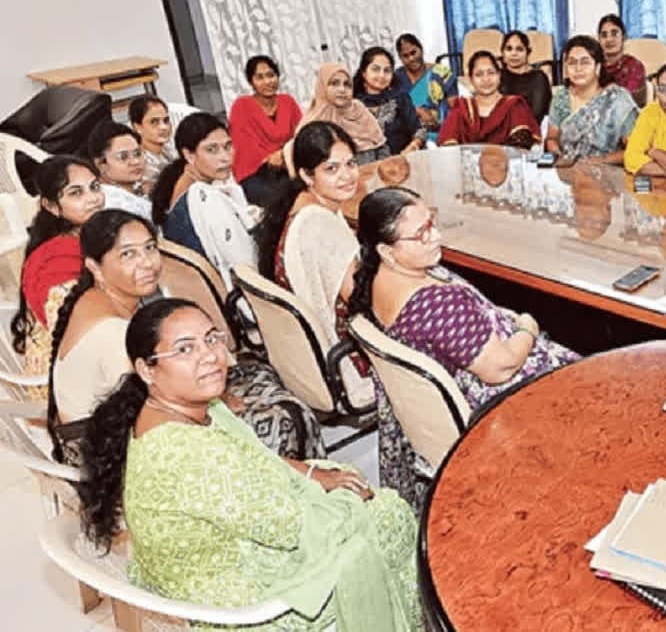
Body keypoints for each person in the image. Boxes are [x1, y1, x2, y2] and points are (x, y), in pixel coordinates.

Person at [75, 298, 422, 631]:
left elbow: (258, 458)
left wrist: (314, 474)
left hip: (222, 561)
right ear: (146, 369)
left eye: (211, 338)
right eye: (185, 349)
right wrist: (348, 500)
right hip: (247, 605)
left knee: (346, 481)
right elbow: (287, 526)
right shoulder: (187, 454)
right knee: (391, 515)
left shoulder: (183, 411)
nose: (209, 355)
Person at [47, 210, 325, 465]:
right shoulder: (113, 333)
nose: (147, 263)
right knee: (282, 419)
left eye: (150, 248)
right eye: (128, 255)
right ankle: (300, 486)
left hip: (128, 420)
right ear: (95, 267)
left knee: (257, 372)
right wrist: (223, 404)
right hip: (113, 453)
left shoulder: (104, 298)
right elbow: (158, 409)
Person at [256, 121, 429, 507]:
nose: (347, 175)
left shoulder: (302, 207)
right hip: (346, 359)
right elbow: (368, 302)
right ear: (307, 175)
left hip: (314, 358)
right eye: (331, 168)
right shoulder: (320, 224)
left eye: (350, 163)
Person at [348, 187, 579, 410]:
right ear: (387, 251)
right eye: (421, 234)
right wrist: (528, 327)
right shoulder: (436, 306)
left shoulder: (377, 277)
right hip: (508, 399)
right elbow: (502, 369)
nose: (436, 237)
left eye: (431, 223)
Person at [10, 156, 105, 387]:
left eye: (94, 187)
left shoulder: (82, 238)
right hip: (66, 383)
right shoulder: (56, 261)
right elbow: (73, 336)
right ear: (51, 206)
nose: (93, 198)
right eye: (76, 193)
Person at [150, 112, 257, 289]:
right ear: (189, 155)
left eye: (228, 146)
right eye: (211, 150)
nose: (225, 157)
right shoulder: (197, 197)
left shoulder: (190, 178)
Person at [545, 35, 638, 164]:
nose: (578, 68)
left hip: (607, 170)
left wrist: (598, 161)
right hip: (567, 170)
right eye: (572, 62)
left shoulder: (617, 99)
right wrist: (559, 156)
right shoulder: (561, 97)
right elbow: (551, 138)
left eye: (585, 62)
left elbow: (635, 149)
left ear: (598, 67)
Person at [227, 55, 303, 204]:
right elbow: (243, 147)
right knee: (281, 202)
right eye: (259, 77)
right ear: (251, 82)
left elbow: (301, 134)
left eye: (271, 75)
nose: (267, 81)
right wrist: (270, 158)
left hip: (290, 164)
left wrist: (284, 155)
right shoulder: (242, 106)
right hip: (256, 173)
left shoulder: (287, 102)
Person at [437, 51, 540, 149]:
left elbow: (521, 146)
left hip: (507, 161)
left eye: (491, 73)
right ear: (471, 79)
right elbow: (448, 145)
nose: (486, 79)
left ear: (499, 75)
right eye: (479, 74)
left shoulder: (514, 106)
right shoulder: (461, 109)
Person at [299, 62, 390, 164]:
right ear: (322, 87)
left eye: (347, 84)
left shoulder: (358, 109)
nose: (342, 89)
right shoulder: (313, 122)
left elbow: (382, 147)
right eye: (334, 83)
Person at [352, 46, 425, 155]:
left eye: (387, 70)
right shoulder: (352, 105)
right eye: (375, 69)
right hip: (367, 164)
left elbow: (419, 130)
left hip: (401, 160)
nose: (382, 75)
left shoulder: (400, 99)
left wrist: (413, 146)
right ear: (363, 72)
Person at [394, 33, 457, 142]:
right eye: (405, 56)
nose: (411, 58)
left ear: (421, 49)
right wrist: (418, 111)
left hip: (442, 134)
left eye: (413, 52)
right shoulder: (395, 79)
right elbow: (391, 109)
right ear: (400, 58)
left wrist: (439, 124)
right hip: (408, 138)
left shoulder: (442, 73)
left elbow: (455, 109)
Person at [85, 121, 153, 218]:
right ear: (101, 164)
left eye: (137, 153)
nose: (135, 162)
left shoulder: (140, 189)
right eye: (123, 157)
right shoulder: (111, 205)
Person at [498, 30, 552, 123]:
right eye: (509, 49)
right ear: (502, 52)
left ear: (528, 52)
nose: (514, 54)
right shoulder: (497, 77)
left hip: (532, 127)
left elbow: (538, 113)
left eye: (519, 49)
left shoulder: (539, 78)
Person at [597, 14, 647, 106]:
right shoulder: (595, 66)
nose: (609, 39)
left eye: (614, 33)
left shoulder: (634, 66)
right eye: (604, 35)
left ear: (623, 37)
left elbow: (627, 100)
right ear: (599, 40)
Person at [128, 96, 177, 184]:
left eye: (166, 120)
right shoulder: (141, 163)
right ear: (138, 127)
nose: (164, 127)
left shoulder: (169, 150)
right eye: (154, 122)